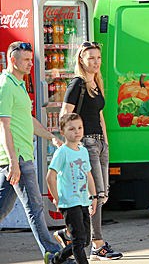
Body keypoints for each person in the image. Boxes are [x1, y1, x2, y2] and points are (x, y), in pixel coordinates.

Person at [0, 41, 65, 258]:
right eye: (26, 60)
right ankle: (53, 254)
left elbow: (28, 120)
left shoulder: (18, 85)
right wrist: (14, 162)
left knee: (3, 209)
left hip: (20, 157)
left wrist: (52, 137)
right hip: (16, 157)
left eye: (31, 59)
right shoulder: (6, 86)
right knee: (35, 207)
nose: (31, 64)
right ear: (12, 59)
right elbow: (4, 127)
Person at [59, 41, 122, 260]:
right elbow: (65, 115)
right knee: (95, 195)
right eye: (91, 58)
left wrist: (106, 143)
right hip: (85, 144)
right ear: (81, 60)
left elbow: (100, 115)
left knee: (101, 195)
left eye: (98, 58)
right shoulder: (77, 84)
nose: (96, 62)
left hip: (99, 144)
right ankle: (98, 244)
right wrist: (73, 145)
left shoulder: (96, 82)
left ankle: (69, 233)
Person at [45, 113, 98, 264]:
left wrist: (93, 197)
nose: (77, 132)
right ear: (62, 133)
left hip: (83, 202)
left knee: (85, 240)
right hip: (69, 203)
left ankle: (55, 261)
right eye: (72, 129)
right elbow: (50, 177)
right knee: (79, 242)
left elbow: (88, 175)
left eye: (80, 128)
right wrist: (57, 198)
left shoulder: (83, 151)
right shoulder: (62, 152)